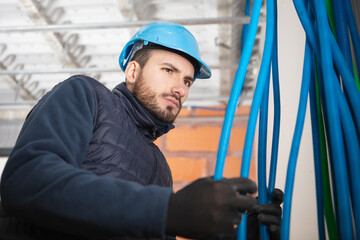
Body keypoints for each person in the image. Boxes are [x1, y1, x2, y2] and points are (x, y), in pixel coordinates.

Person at [0, 22, 282, 240]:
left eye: (187, 81)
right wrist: (166, 209)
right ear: (132, 72)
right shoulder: (86, 95)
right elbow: (27, 181)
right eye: (168, 70)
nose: (180, 89)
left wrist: (238, 233)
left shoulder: (161, 168)